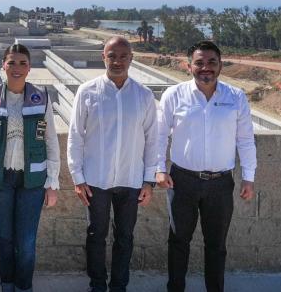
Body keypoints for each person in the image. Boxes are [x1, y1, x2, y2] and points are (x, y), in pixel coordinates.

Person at [156, 40, 257, 292]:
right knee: (178, 241)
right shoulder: (174, 95)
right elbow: (159, 135)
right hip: (182, 181)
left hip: (221, 184)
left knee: (216, 245)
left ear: (220, 65)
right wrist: (158, 168)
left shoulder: (235, 97)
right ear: (189, 66)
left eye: (212, 62)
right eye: (199, 63)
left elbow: (245, 140)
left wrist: (248, 177)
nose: (206, 68)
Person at [0, 44, 60, 292]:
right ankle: (7, 285)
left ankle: (23, 287)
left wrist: (52, 182)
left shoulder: (41, 97)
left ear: (29, 67)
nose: (17, 68)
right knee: (4, 240)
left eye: (22, 63)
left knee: (26, 242)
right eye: (12, 62)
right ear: (3, 66)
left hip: (33, 182)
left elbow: (51, 139)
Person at [67, 36, 159, 292]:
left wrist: (149, 181)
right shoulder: (87, 91)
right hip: (96, 180)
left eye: (123, 56)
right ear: (103, 57)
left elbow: (153, 140)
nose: (117, 61)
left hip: (131, 181)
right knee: (96, 236)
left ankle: (119, 286)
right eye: (112, 56)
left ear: (131, 58)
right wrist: (77, 177)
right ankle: (97, 285)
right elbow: (75, 135)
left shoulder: (143, 95)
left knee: (125, 238)